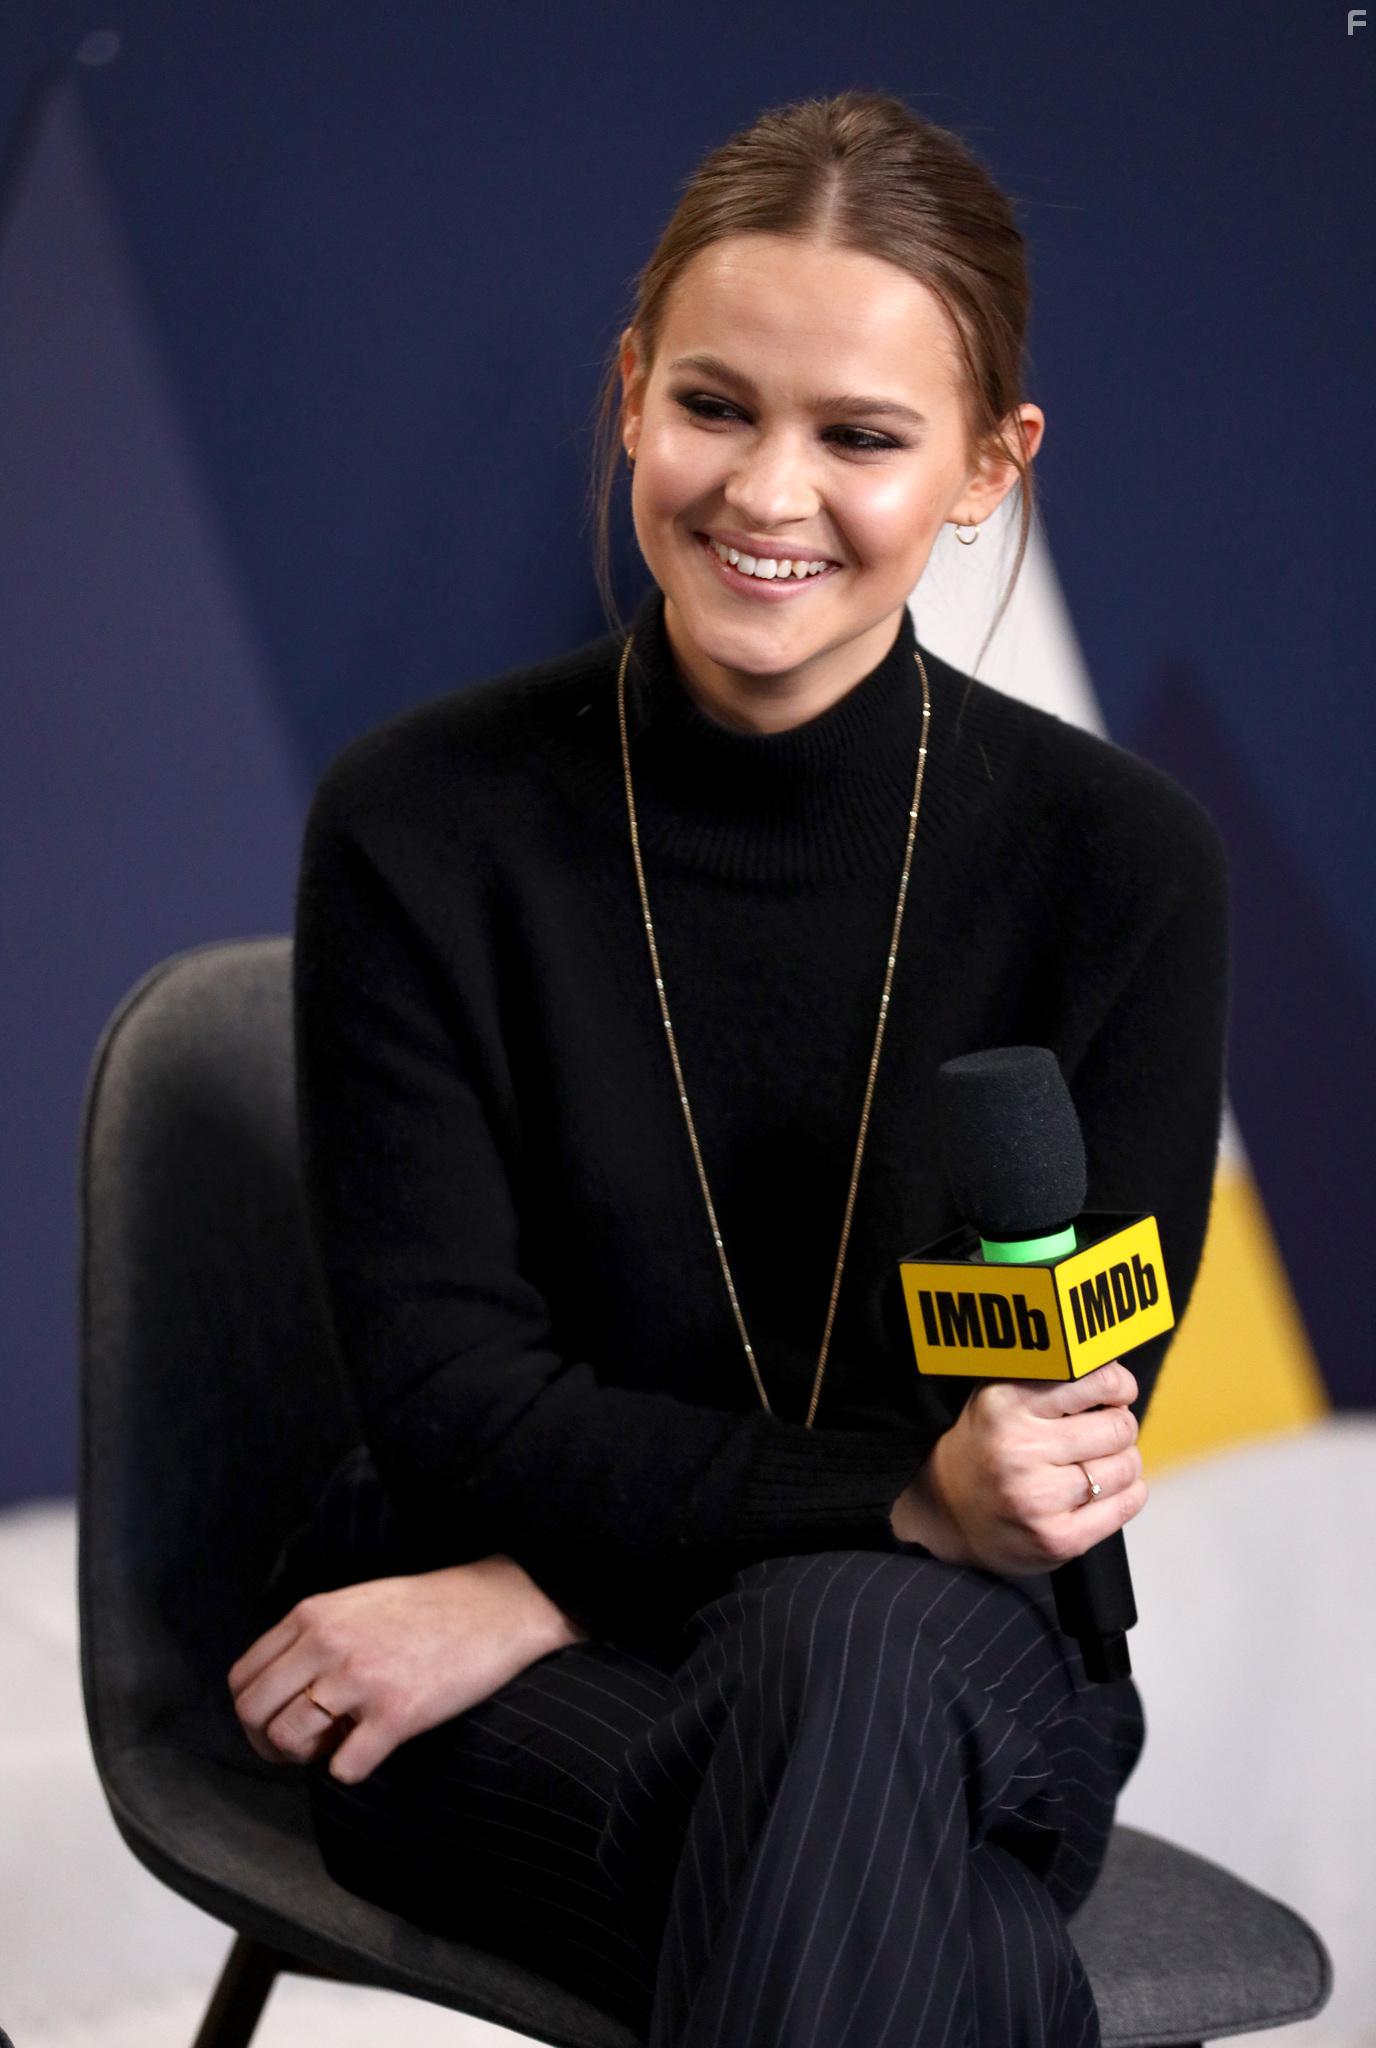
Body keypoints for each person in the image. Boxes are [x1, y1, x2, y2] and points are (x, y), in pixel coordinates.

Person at [227, 90, 1230, 2047]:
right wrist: (894, 1499)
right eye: (714, 405)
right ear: (628, 393)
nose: (767, 491)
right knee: (916, 1907)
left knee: (847, 1663)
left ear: (985, 465)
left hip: (927, 1651)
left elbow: (1042, 1441)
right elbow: (454, 1399)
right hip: (472, 1663)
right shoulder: (420, 823)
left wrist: (559, 1577)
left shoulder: (1120, 867)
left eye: (858, 434)